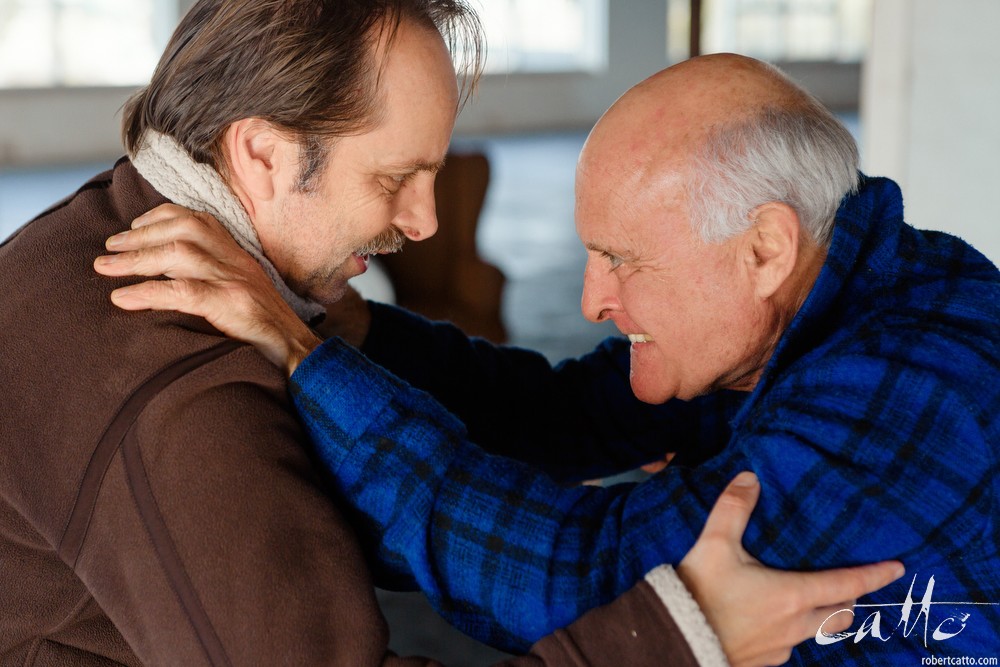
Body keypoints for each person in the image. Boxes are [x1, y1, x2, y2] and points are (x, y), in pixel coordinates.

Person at [0, 2, 903, 665]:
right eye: (398, 176)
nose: (426, 221)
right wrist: (678, 637)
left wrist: (717, 380)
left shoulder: (175, 237)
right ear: (263, 153)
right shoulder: (177, 382)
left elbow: (512, 409)